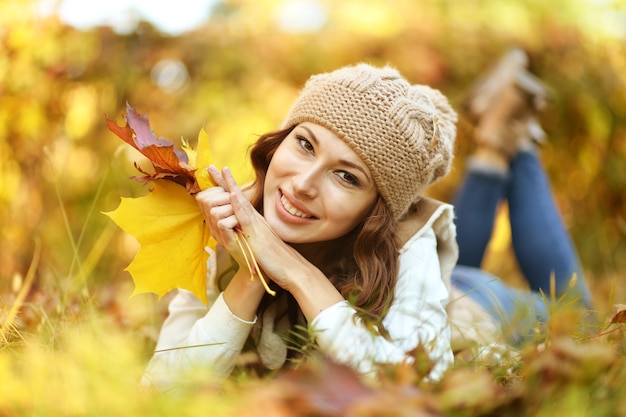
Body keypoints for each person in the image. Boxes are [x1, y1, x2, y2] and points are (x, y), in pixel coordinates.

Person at [141, 63, 459, 391]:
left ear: (375, 212)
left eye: (347, 176)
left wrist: (297, 273)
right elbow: (162, 389)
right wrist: (253, 271)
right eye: (306, 145)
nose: (304, 184)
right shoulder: (225, 216)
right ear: (279, 142)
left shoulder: (410, 243)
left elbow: (418, 389)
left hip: (469, 293)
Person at [447, 48, 594, 349]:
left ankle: (505, 133)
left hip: (430, 291)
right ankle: (511, 134)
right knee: (579, 322)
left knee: (443, 267)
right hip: (444, 304)